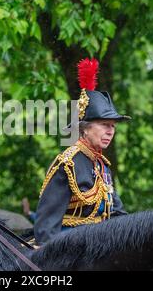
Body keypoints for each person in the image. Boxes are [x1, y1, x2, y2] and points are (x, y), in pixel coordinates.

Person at [34, 58, 129, 244]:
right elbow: (46, 229)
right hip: (71, 251)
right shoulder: (67, 164)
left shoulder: (103, 166)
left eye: (113, 126)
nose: (110, 131)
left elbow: (118, 216)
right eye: (104, 125)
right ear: (84, 128)